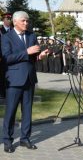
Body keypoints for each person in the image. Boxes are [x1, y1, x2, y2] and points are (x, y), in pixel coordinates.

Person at [1, 11, 48, 153]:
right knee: (11, 112)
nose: (26, 23)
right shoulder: (6, 37)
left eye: (27, 21)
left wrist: (40, 56)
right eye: (23, 21)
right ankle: (8, 140)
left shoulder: (32, 36)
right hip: (14, 80)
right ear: (15, 22)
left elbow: (33, 57)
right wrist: (26, 52)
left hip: (29, 78)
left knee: (27, 111)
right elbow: (6, 59)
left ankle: (25, 138)